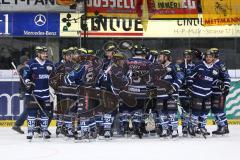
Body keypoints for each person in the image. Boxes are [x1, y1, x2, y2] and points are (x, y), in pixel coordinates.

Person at [23, 46, 54, 140]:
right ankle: (30, 130)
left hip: (45, 93)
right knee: (32, 112)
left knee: (45, 112)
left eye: (46, 52)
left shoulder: (49, 63)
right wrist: (28, 82)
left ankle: (44, 130)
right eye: (43, 53)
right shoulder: (30, 63)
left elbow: (54, 77)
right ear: (38, 53)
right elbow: (25, 76)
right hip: (34, 93)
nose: (46, 54)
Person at [187, 49, 219, 136]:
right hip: (197, 92)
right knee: (196, 111)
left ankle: (202, 127)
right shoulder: (199, 65)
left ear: (213, 58)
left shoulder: (215, 68)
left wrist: (220, 83)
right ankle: (192, 127)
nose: (208, 58)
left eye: (210, 57)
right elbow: (190, 76)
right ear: (205, 57)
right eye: (207, 57)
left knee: (205, 111)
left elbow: (214, 80)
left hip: (208, 93)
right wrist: (189, 86)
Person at [154, 50, 184, 138]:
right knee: (161, 112)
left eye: (161, 56)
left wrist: (173, 87)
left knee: (172, 112)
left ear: (166, 57)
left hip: (171, 94)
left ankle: (174, 130)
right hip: (160, 94)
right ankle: (165, 129)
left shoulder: (174, 66)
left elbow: (180, 78)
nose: (159, 58)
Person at [210, 48, 230, 135]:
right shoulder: (210, 64)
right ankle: (220, 126)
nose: (209, 56)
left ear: (215, 55)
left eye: (211, 55)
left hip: (220, 92)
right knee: (214, 110)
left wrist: (226, 87)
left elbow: (227, 77)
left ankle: (224, 127)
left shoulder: (220, 64)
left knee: (219, 110)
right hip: (212, 92)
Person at [178, 49, 195, 136]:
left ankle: (191, 126)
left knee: (192, 109)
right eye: (186, 56)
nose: (187, 57)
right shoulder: (180, 65)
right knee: (184, 109)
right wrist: (184, 83)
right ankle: (184, 126)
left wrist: (191, 85)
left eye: (189, 55)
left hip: (192, 90)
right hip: (182, 90)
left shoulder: (195, 66)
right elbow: (178, 77)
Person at [12, 55, 29, 134]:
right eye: (27, 61)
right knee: (28, 109)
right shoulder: (23, 69)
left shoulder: (21, 68)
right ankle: (17, 124)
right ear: (24, 62)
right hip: (26, 90)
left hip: (24, 90)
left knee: (29, 109)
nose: (28, 62)